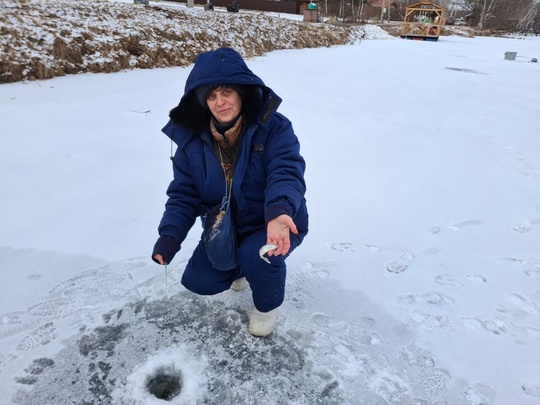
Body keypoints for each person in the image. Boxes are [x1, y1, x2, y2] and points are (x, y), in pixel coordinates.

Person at [152, 48, 308, 337]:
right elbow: (184, 194)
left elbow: (285, 172)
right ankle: (241, 269)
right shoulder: (192, 142)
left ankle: (266, 306)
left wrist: (279, 211)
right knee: (199, 280)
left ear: (242, 93)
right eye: (211, 96)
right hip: (227, 227)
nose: (220, 102)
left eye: (226, 92)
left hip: (276, 220)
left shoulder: (273, 127)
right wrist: (170, 235)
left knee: (258, 254)